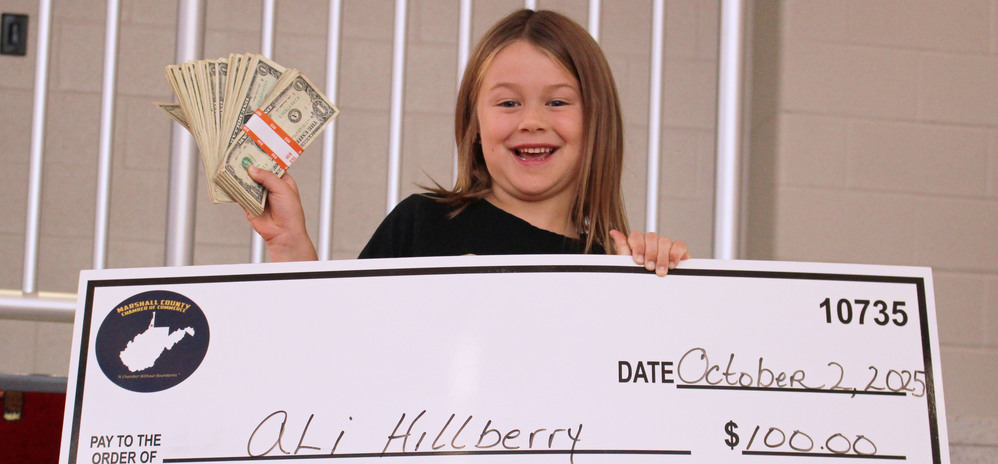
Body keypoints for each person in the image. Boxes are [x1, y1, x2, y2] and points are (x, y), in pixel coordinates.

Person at [245, 8, 690, 275]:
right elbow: (335, 343)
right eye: (508, 103)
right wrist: (289, 245)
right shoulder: (420, 225)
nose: (532, 121)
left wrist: (666, 280)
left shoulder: (615, 266)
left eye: (557, 102)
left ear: (597, 121)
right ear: (474, 124)